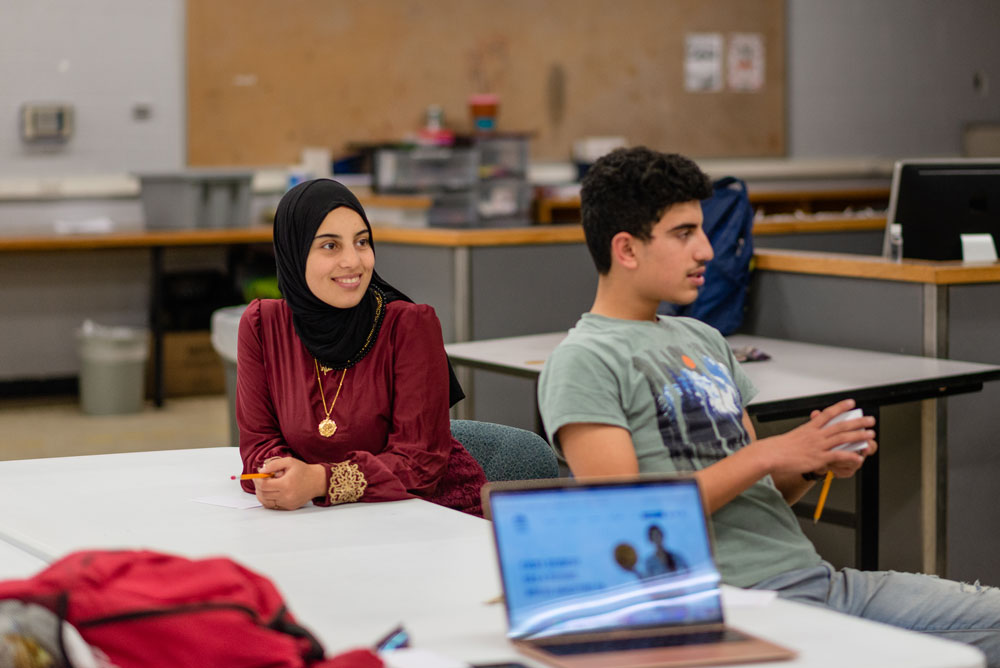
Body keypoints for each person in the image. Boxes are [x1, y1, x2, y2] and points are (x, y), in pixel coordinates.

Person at [537, 146, 1000, 663]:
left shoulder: (704, 339)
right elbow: (628, 520)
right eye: (684, 233)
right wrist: (768, 454)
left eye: (702, 231)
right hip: (734, 603)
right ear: (626, 250)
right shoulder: (583, 360)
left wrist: (810, 463)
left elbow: (760, 492)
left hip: (818, 584)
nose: (707, 251)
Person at [237, 178, 486, 514]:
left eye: (362, 242)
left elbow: (419, 464)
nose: (353, 262)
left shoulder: (409, 326)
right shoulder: (262, 326)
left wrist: (320, 481)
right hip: (321, 519)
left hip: (429, 515)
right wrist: (276, 477)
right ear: (294, 253)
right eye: (330, 246)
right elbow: (258, 444)